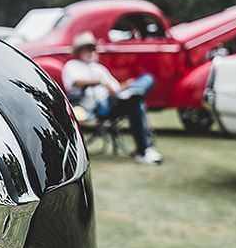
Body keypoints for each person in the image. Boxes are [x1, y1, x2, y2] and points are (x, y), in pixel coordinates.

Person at [61, 33, 162, 165]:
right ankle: (144, 151)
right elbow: (75, 82)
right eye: (87, 48)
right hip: (95, 108)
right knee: (135, 102)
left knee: (147, 78)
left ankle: (134, 91)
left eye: (92, 48)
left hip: (113, 101)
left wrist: (128, 84)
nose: (91, 51)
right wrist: (100, 82)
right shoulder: (72, 65)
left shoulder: (99, 68)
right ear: (79, 51)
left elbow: (115, 88)